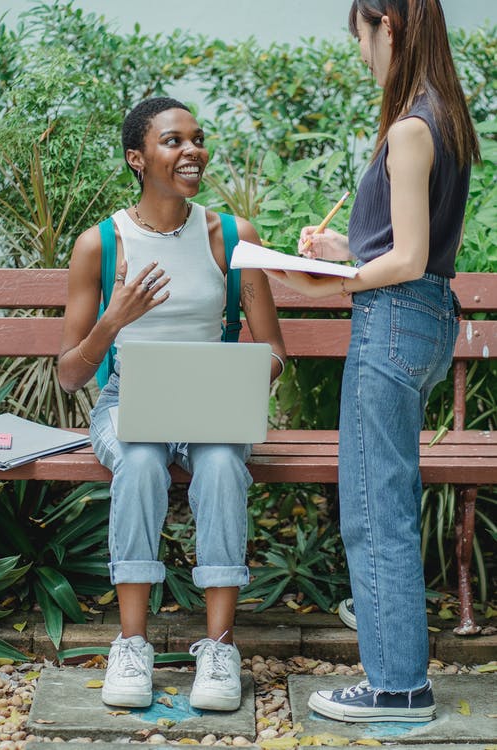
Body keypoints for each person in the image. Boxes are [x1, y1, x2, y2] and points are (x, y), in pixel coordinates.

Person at [265, 0, 479, 724]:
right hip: (421, 321)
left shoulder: (410, 126)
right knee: (385, 496)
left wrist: (325, 281)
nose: (359, 52)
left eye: (358, 35)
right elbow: (411, 249)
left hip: (391, 322)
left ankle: (396, 688)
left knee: (372, 507)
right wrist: (344, 255)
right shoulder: (441, 116)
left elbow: (410, 258)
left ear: (386, 25)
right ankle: (398, 672)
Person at [58, 96, 286, 712]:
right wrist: (114, 321)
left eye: (197, 139)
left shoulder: (232, 235)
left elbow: (273, 351)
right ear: (138, 158)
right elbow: (69, 374)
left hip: (211, 400)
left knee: (217, 465)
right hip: (126, 396)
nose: (191, 151)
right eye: (172, 141)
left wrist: (238, 379)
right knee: (139, 459)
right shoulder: (100, 243)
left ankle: (218, 648)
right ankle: (131, 644)